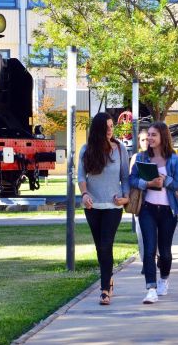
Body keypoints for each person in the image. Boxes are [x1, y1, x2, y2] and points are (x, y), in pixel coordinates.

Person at [77, 112, 129, 305]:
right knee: (100, 247)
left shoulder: (120, 149)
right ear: (98, 129)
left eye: (112, 126)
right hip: (92, 206)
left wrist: (125, 197)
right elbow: (81, 177)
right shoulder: (86, 150)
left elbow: (125, 176)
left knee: (106, 244)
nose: (110, 130)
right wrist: (84, 194)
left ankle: (104, 289)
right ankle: (109, 280)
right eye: (106, 127)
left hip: (113, 206)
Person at [129, 122, 178, 304]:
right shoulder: (142, 157)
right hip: (147, 209)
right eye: (149, 135)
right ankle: (150, 289)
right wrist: (148, 184)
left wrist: (164, 180)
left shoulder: (173, 159)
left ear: (163, 137)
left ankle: (164, 279)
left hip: (168, 210)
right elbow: (132, 178)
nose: (150, 138)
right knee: (149, 249)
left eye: (154, 135)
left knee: (165, 253)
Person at [130, 130, 149, 274]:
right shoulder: (136, 157)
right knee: (141, 233)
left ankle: (158, 257)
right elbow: (131, 179)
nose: (146, 142)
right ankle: (145, 263)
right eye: (143, 140)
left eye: (148, 139)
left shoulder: (160, 157)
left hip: (158, 202)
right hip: (140, 201)